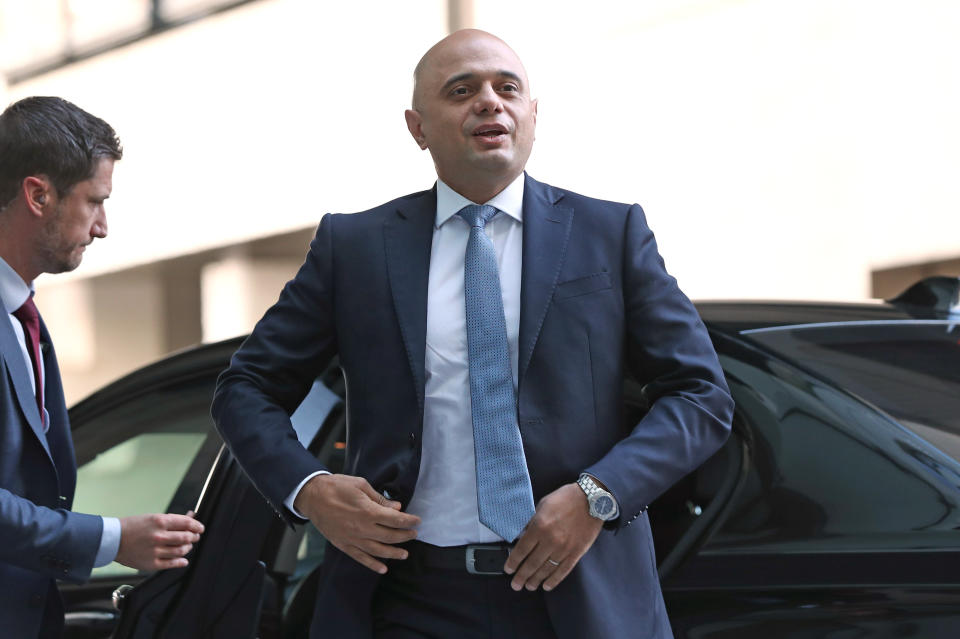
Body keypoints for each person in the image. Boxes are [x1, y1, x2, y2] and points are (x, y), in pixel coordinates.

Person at [212, 29, 733, 639]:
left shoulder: (609, 233)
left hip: (580, 595)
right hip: (405, 599)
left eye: (507, 88)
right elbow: (244, 388)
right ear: (418, 127)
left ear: (533, 114)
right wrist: (312, 489)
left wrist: (599, 494)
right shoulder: (353, 247)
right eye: (462, 91)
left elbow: (701, 395)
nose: (490, 101)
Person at [0, 96, 205, 639]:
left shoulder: (22, 314)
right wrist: (115, 540)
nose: (103, 227)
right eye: (95, 201)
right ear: (38, 195)